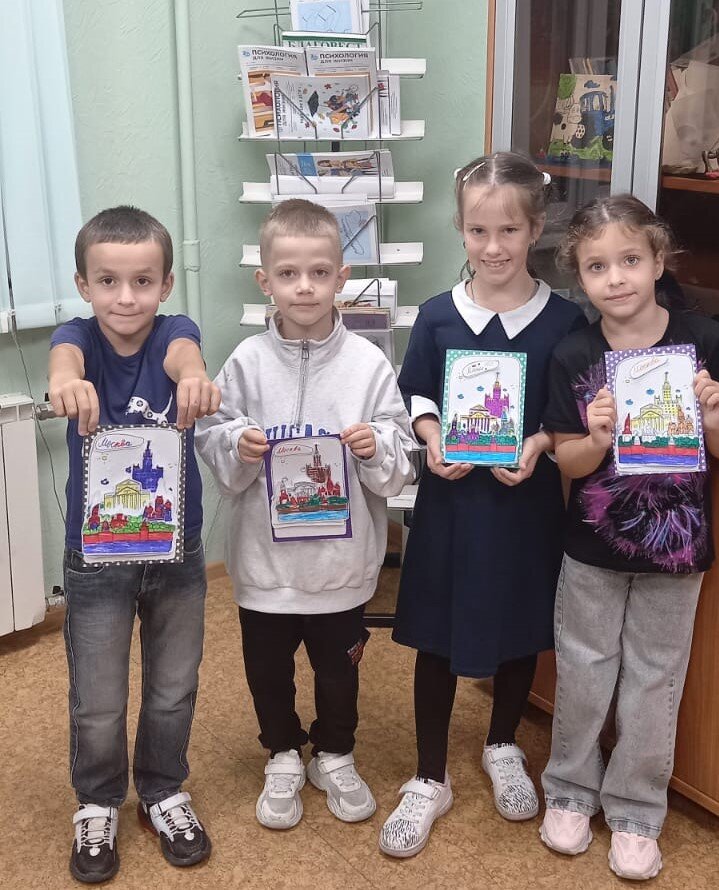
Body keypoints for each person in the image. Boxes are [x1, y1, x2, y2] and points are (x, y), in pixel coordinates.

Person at [379, 152, 587, 858]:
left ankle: (503, 743)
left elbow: (566, 413)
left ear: (536, 229)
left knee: (520, 623)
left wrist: (538, 444)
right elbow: (415, 394)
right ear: (460, 229)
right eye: (477, 231)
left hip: (523, 505)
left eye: (508, 231)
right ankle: (428, 775)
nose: (493, 247)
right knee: (436, 631)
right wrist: (432, 436)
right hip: (451, 502)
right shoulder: (438, 315)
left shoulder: (565, 321)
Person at [195, 199, 414, 831]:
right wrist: (236, 444)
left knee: (339, 674)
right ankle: (283, 753)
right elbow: (213, 436)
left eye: (320, 273)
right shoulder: (245, 361)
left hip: (339, 568)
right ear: (264, 280)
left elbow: (401, 455)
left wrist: (376, 446)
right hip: (265, 567)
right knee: (267, 672)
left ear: (342, 277)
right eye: (289, 274)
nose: (305, 287)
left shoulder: (368, 364)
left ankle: (336, 753)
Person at [538, 194, 719, 881]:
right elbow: (568, 461)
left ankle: (638, 812)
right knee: (584, 669)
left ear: (657, 259)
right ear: (579, 275)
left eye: (629, 261)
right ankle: (568, 792)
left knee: (654, 678)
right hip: (592, 548)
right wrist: (597, 436)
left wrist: (708, 417)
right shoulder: (574, 352)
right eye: (596, 267)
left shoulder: (703, 341)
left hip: (677, 551)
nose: (615, 278)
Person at [48, 206, 220, 883]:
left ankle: (162, 789)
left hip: (175, 553)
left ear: (166, 284)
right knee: (97, 696)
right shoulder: (77, 337)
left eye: (143, 281)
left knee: (174, 686)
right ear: (83, 284)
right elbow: (64, 360)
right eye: (108, 281)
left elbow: (186, 357)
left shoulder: (175, 333)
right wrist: (66, 382)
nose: (126, 297)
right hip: (96, 558)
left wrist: (194, 378)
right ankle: (97, 801)